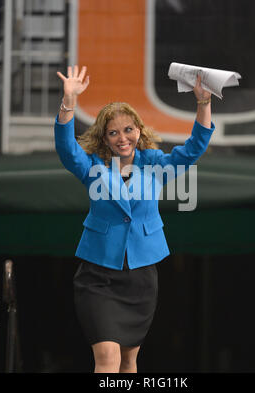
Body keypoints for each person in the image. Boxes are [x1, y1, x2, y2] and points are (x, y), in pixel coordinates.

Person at [54, 65, 215, 373]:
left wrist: (203, 103)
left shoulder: (154, 164)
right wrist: (69, 102)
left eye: (128, 129)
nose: (122, 138)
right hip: (98, 277)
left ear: (139, 130)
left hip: (140, 278)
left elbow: (193, 150)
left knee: (129, 361)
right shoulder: (92, 167)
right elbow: (66, 148)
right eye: (113, 132)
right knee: (108, 359)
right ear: (104, 138)